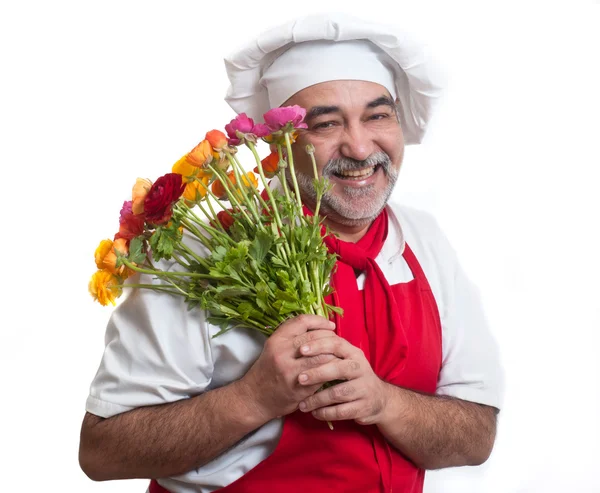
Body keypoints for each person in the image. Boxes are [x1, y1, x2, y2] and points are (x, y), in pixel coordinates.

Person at [79, 12, 504, 493]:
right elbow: (101, 450)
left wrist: (384, 402)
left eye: (377, 115)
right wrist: (254, 397)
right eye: (325, 124)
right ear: (279, 144)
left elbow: (476, 436)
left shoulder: (424, 242)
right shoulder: (207, 253)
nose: (361, 147)